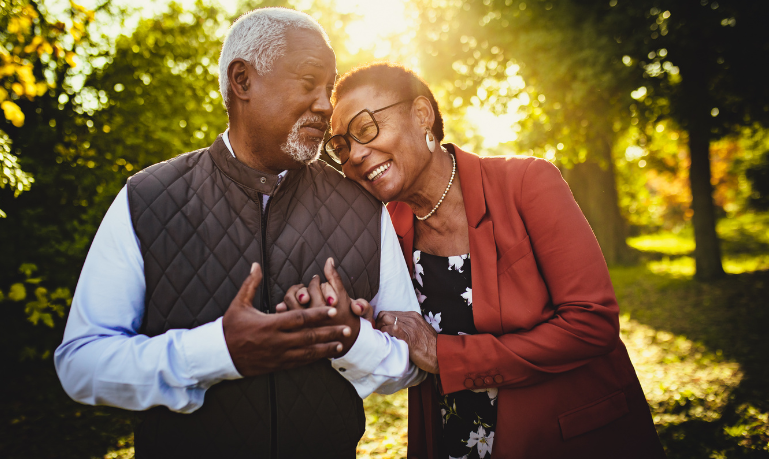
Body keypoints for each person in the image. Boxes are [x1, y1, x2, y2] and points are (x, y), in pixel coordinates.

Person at [54, 11, 425, 459]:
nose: (327, 106)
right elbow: (81, 366)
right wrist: (220, 352)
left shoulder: (365, 209)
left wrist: (350, 340)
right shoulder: (146, 198)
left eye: (327, 88)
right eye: (308, 82)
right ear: (242, 80)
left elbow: (412, 364)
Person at [322, 62, 666, 459]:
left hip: (566, 438)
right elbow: (393, 340)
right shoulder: (383, 231)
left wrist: (445, 356)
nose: (356, 155)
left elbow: (592, 322)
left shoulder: (528, 184)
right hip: (455, 440)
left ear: (421, 115)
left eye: (365, 129)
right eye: (342, 146)